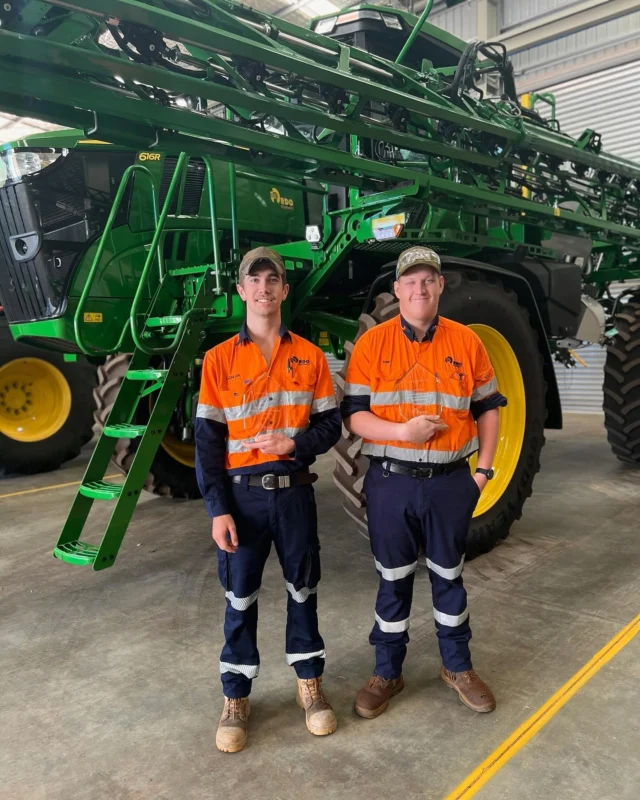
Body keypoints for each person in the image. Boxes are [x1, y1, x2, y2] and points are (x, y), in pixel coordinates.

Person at [341, 245, 507, 718]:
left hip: (450, 483)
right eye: (410, 280)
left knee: (448, 578)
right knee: (392, 581)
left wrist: (482, 472)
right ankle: (386, 672)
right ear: (396, 290)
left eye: (428, 279)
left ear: (440, 287)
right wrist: (400, 433)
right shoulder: (372, 345)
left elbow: (488, 408)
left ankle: (457, 667)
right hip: (390, 482)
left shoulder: (466, 342)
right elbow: (354, 418)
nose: (419, 288)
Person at [195, 246, 342, 753]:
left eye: (271, 279)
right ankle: (236, 697)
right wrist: (217, 510)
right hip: (241, 501)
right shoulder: (217, 361)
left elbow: (330, 424)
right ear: (241, 291)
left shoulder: (310, 356)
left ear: (283, 290)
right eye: (252, 280)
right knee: (240, 598)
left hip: (294, 496)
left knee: (304, 590)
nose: (263, 288)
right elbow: (208, 444)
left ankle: (310, 684)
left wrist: (296, 445)